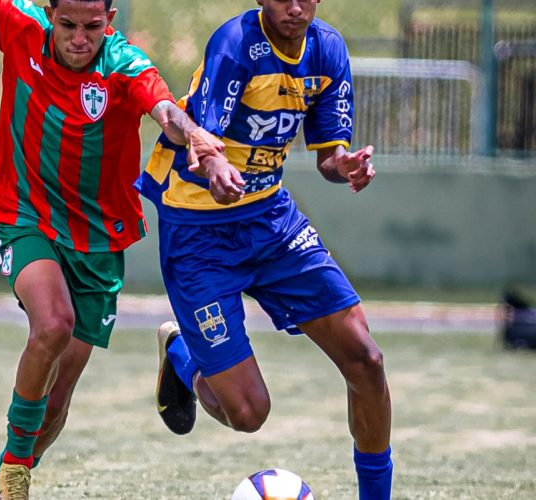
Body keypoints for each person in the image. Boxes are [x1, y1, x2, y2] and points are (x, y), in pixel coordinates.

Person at [0, 0, 224, 499]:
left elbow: (164, 109)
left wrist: (194, 137)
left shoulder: (124, 66)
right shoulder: (18, 27)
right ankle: (18, 472)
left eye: (92, 27)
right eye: (68, 25)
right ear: (49, 12)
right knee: (53, 324)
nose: (80, 38)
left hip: (99, 239)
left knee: (56, 402)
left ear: (111, 20)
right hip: (25, 213)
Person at [136, 1, 393, 499]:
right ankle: (184, 355)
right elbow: (201, 138)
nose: (294, 8)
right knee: (249, 414)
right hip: (198, 231)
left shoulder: (328, 49)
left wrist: (345, 166)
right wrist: (213, 167)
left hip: (271, 219)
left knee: (367, 360)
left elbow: (326, 155)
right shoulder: (235, 44)